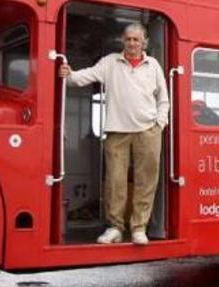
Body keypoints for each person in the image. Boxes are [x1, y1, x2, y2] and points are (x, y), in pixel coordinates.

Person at [59, 22, 169, 245]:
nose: (131, 43)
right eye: (128, 39)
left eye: (136, 39)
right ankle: (115, 228)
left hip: (148, 130)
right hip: (117, 130)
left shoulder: (153, 65)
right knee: (114, 182)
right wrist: (68, 75)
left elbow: (163, 99)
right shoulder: (110, 62)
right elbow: (86, 76)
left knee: (145, 181)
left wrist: (160, 123)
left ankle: (139, 228)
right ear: (123, 41)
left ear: (144, 42)